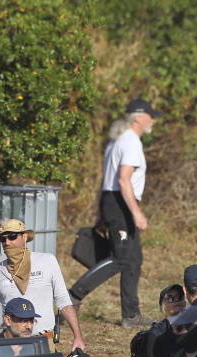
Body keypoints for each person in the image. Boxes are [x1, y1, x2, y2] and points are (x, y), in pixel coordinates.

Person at [68, 98, 162, 329]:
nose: (153, 120)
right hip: (121, 202)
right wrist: (136, 213)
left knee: (134, 259)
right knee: (121, 258)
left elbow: (107, 179)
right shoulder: (130, 142)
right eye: (151, 115)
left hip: (113, 201)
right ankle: (73, 296)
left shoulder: (117, 140)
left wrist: (102, 211)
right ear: (139, 117)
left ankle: (131, 315)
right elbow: (123, 179)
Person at [0, 218, 85, 352]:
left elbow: (63, 301)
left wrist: (78, 336)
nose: (7, 242)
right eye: (3, 239)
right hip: (10, 346)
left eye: (12, 237)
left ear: (24, 237)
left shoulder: (47, 261)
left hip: (43, 343)